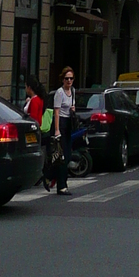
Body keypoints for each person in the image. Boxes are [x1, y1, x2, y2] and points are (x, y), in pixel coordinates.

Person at [52, 66, 77, 197]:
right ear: (62, 79)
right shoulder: (59, 93)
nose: (69, 81)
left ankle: (52, 178)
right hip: (60, 123)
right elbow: (56, 112)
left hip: (68, 124)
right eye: (66, 78)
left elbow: (72, 108)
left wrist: (73, 109)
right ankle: (61, 186)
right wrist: (56, 130)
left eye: (71, 78)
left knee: (67, 155)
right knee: (61, 157)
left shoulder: (72, 91)